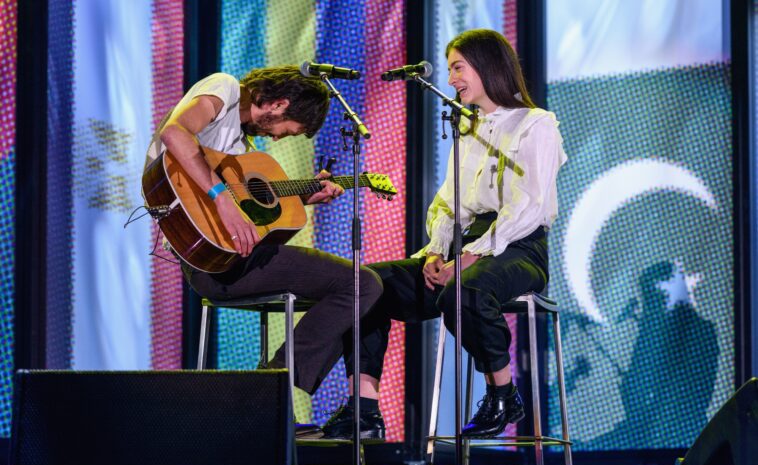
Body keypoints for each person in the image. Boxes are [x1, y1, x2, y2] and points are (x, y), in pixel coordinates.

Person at [321, 29, 567, 440]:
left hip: (517, 246)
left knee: (463, 293)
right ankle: (363, 409)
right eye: (451, 69)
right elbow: (448, 204)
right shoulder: (467, 128)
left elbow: (531, 206)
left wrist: (470, 258)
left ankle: (503, 395)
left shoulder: (535, 124)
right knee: (365, 284)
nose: (451, 79)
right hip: (462, 245)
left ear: (487, 66)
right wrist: (437, 252)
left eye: (458, 67)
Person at [144, 66, 384, 435]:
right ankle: (269, 390)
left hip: (228, 257)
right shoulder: (222, 88)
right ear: (278, 104)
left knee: (362, 286)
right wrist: (220, 197)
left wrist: (306, 197)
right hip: (209, 262)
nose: (279, 138)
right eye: (286, 129)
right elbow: (174, 133)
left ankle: (272, 391)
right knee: (362, 285)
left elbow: (253, 218)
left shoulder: (241, 150)